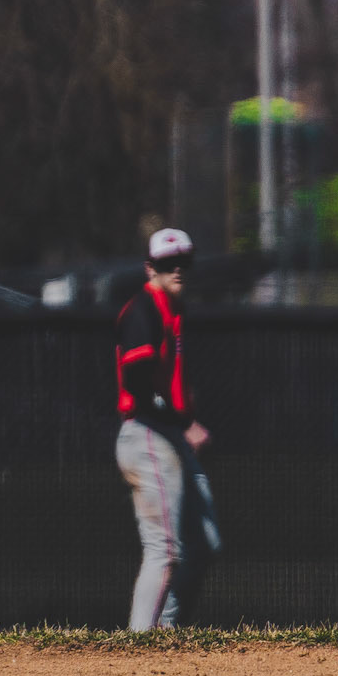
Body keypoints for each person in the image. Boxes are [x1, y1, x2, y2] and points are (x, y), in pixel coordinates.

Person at [114, 226, 221, 629]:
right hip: (147, 433)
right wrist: (183, 422)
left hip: (168, 434)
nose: (177, 269)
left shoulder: (173, 310)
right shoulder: (143, 310)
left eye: (183, 262)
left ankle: (165, 633)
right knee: (165, 549)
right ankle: (139, 642)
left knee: (205, 544)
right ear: (150, 268)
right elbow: (137, 382)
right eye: (167, 263)